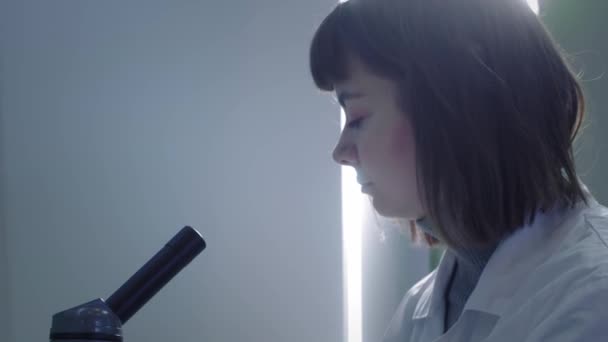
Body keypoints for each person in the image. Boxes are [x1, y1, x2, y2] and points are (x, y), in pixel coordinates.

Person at [309, 0, 608, 341]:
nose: (341, 153)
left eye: (358, 118)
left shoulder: (594, 298)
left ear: (457, 107)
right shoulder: (421, 306)